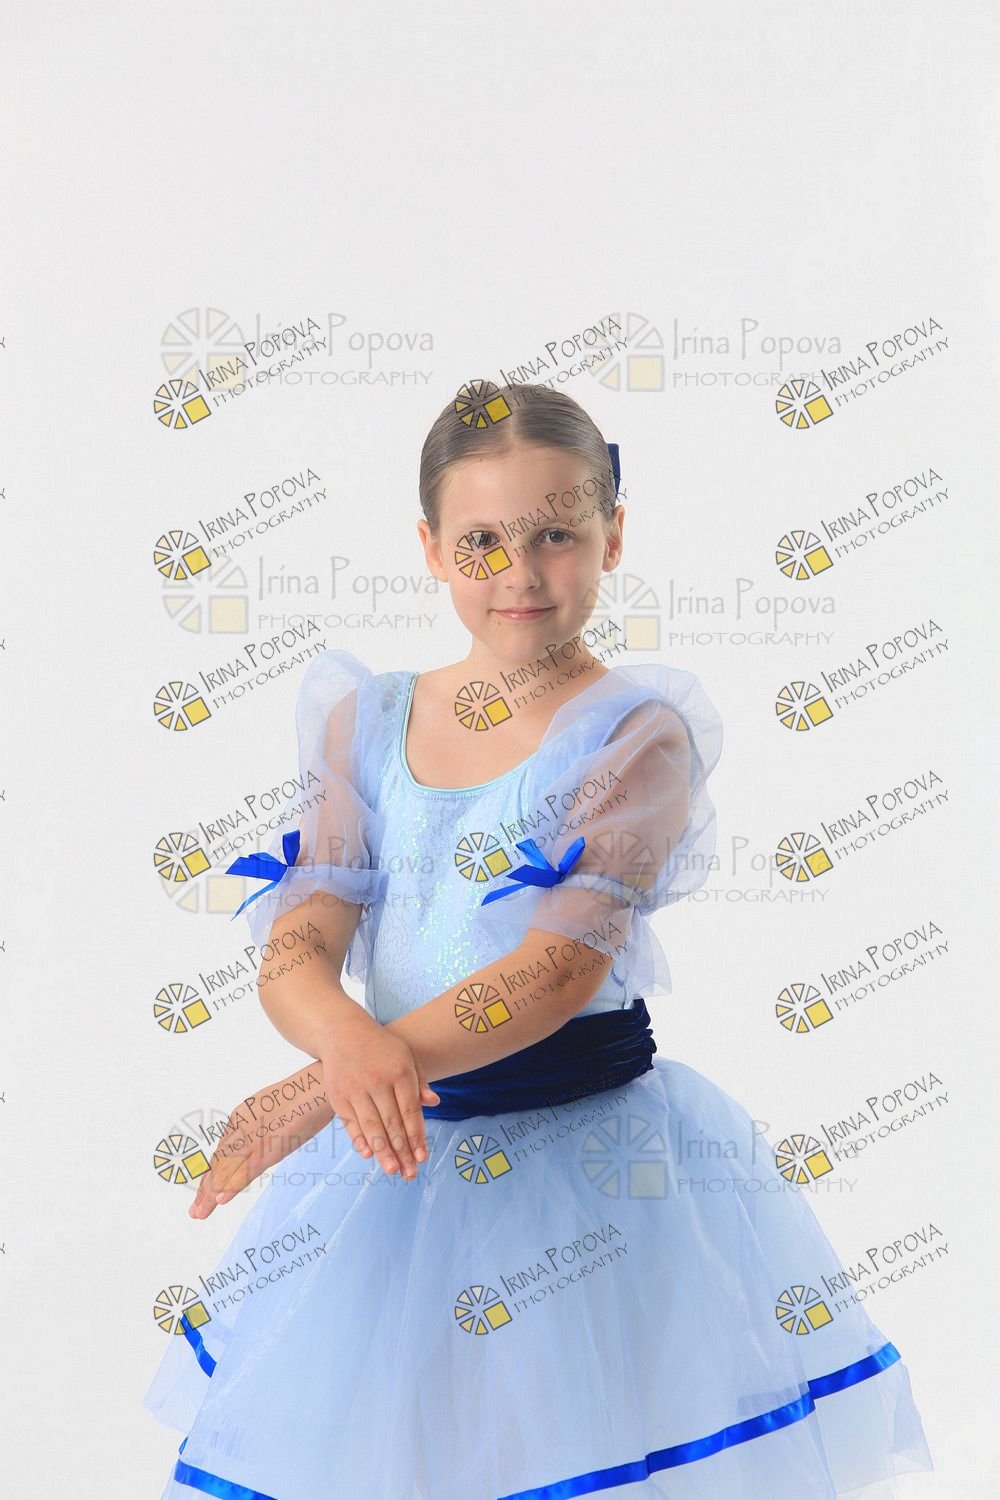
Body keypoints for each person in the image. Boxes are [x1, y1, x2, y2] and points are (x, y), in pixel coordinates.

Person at [144, 382, 934, 1499]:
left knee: (565, 1442)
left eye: (555, 535)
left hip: (584, 1167)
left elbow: (554, 972)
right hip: (396, 1152)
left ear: (613, 535)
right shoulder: (367, 721)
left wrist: (329, 1082)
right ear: (430, 548)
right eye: (481, 541)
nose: (518, 572)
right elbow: (300, 934)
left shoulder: (631, 737)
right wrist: (344, 1048)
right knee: (398, 1444)